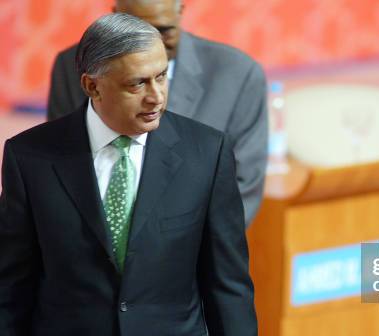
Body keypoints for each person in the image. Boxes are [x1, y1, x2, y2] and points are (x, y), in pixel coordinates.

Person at [0, 13, 264, 336]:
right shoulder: (30, 158)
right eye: (137, 83)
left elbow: (230, 295)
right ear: (92, 86)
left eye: (161, 76)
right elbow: (10, 295)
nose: (156, 96)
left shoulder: (205, 155)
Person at [48, 0, 268, 226]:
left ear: (180, 11)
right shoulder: (73, 66)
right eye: (133, 31)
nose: (149, 45)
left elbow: (242, 188)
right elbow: (59, 168)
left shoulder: (238, 75)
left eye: (163, 31)